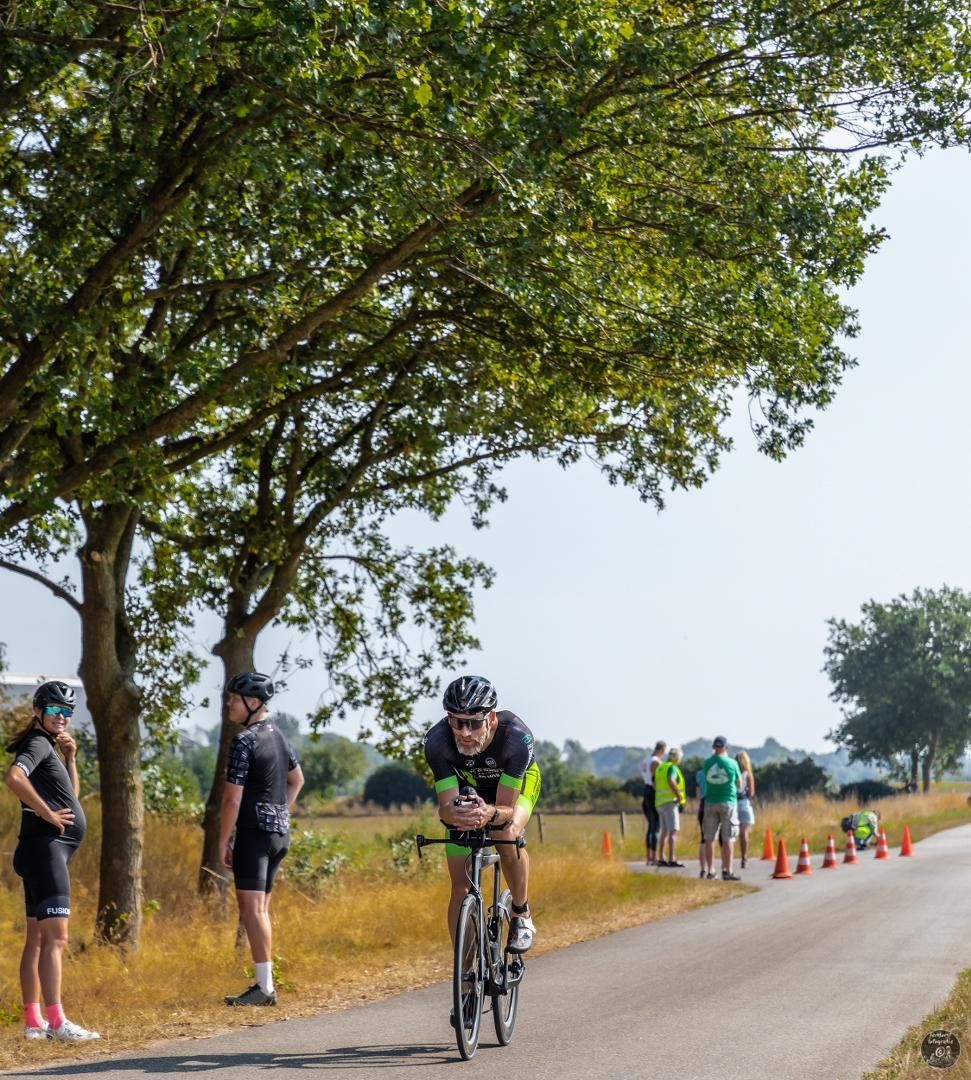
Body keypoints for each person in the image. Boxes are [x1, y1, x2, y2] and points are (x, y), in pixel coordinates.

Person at [3, 681, 100, 1041]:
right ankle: (57, 1023)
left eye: (68, 713)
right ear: (38, 710)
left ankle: (34, 1022)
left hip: (39, 851)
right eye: (56, 710)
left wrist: (71, 759)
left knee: (38, 941)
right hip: (46, 852)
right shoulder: (37, 743)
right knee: (57, 939)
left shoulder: (49, 748)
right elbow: (13, 778)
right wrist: (46, 814)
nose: (62, 718)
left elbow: (70, 800)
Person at [423, 675, 542, 956]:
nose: (464, 732)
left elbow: (506, 810)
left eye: (474, 723)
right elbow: (445, 807)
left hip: (515, 788)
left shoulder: (516, 737)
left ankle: (521, 913)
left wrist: (489, 813)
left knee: (506, 832)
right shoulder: (437, 742)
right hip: (472, 791)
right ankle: (465, 985)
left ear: (490, 718)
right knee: (460, 888)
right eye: (456, 722)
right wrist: (454, 814)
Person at [219, 671, 304, 1007]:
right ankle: (264, 984)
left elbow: (232, 800)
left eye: (233, 699)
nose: (228, 704)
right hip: (279, 833)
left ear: (252, 703)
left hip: (254, 833)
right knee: (261, 910)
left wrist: (223, 840)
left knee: (252, 910)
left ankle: (265, 989)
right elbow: (297, 780)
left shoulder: (244, 741)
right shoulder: (280, 736)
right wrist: (281, 810)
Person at [701, 735, 743, 881]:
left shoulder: (707, 763)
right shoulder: (732, 763)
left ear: (714, 747)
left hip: (711, 801)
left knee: (709, 838)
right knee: (728, 838)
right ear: (726, 747)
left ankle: (711, 870)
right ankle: (727, 870)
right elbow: (739, 783)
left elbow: (707, 778)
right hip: (728, 802)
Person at [654, 747, 687, 867]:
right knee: (673, 831)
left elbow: (654, 784)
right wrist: (678, 795)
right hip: (670, 802)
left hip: (660, 802)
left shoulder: (660, 767)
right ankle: (672, 858)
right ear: (677, 758)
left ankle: (661, 857)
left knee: (664, 831)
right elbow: (671, 780)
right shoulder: (672, 767)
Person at [640, 740, 666, 866]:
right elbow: (656, 779)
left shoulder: (645, 760)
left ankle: (649, 857)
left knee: (651, 826)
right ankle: (653, 858)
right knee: (656, 826)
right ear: (662, 749)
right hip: (653, 791)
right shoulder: (656, 761)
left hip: (645, 789)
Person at [735, 750, 756, 868]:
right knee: (744, 833)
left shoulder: (733, 772)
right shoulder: (748, 774)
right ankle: (744, 857)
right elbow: (752, 792)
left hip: (733, 803)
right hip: (744, 803)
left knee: (731, 833)